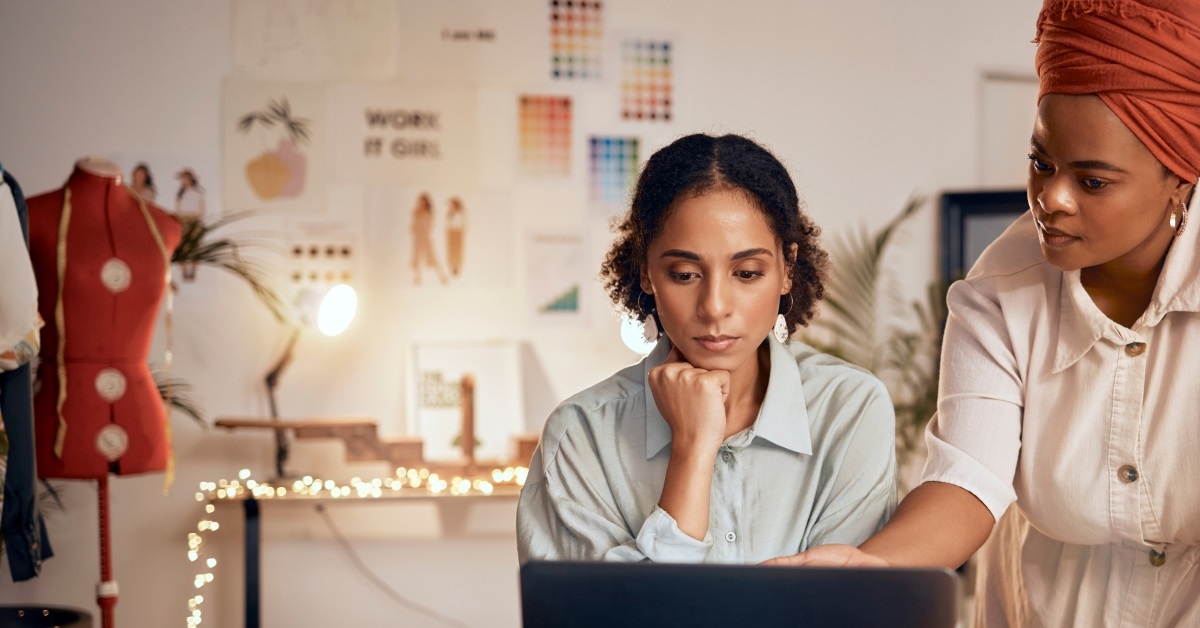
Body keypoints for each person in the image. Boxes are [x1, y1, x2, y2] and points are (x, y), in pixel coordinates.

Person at [769, 1, 1200, 626]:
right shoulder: (1000, 292)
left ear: (1180, 179)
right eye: (1041, 163)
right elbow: (967, 479)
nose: (1052, 198)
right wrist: (875, 566)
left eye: (1093, 181)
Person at [517, 133, 897, 563]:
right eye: (684, 273)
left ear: (787, 269)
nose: (715, 307)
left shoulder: (848, 409)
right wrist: (693, 450)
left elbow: (846, 612)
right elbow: (595, 625)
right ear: (646, 272)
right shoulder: (580, 436)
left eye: (748, 273)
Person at [410, 192, 447, 286]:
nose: (421, 203)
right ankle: (417, 278)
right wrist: (414, 229)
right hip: (417, 237)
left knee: (432, 256)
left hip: (425, 237)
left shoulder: (429, 212)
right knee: (416, 257)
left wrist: (424, 229)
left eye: (424, 202)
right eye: (420, 201)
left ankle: (442, 277)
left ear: (426, 202)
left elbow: (430, 225)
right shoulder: (415, 211)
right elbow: (413, 224)